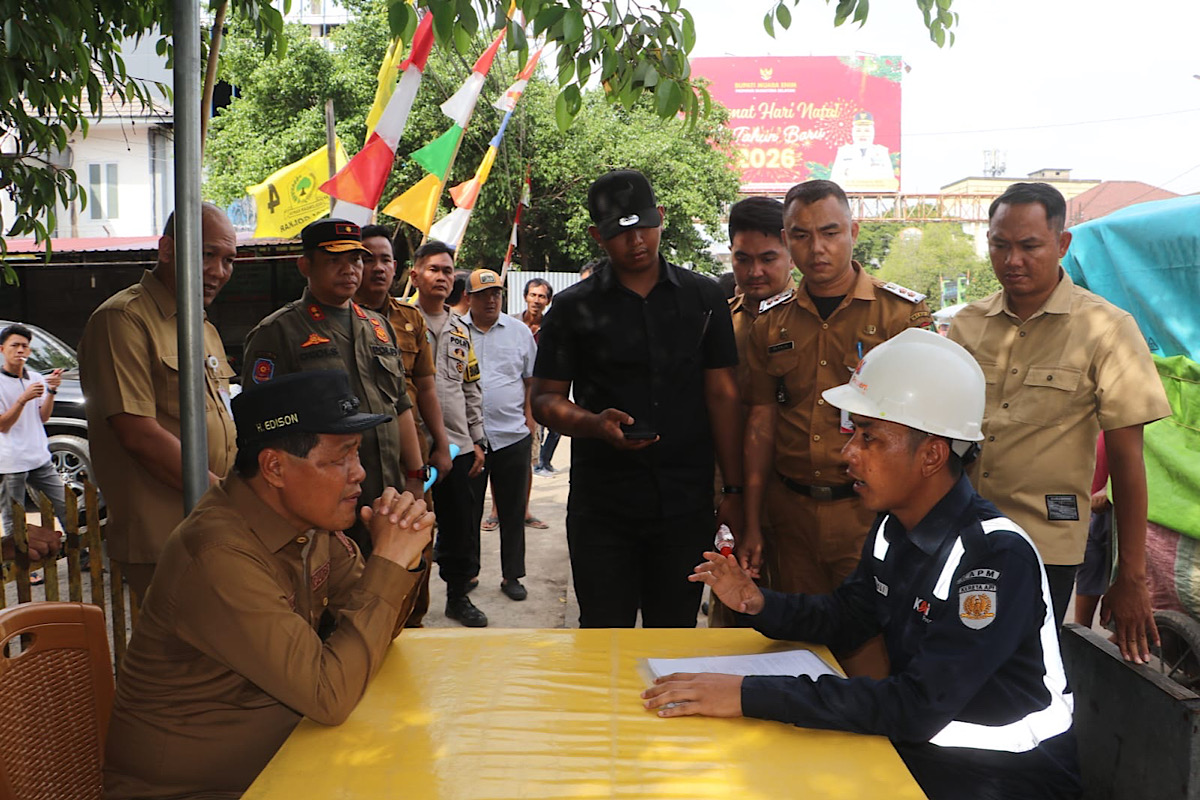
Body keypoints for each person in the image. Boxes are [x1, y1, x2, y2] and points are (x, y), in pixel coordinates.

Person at [643, 329, 1082, 800]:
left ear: (931, 455)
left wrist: (747, 694)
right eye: (854, 434)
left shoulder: (993, 557)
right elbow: (851, 616)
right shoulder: (895, 525)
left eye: (869, 439)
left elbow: (916, 705)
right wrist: (757, 603)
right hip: (925, 754)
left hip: (1002, 776)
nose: (846, 454)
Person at [103, 370, 434, 799]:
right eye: (340, 458)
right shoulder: (218, 556)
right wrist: (387, 561)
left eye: (357, 454)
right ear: (275, 467)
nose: (359, 473)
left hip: (286, 760)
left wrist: (405, 552)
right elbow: (328, 695)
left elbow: (375, 625)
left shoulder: (306, 523)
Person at [948, 182, 1171, 663]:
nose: (1013, 260)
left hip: (1042, 548)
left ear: (1061, 244)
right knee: (951, 667)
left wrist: (1130, 575)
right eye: (1000, 245)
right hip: (959, 535)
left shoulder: (1107, 329)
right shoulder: (966, 325)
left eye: (1029, 246)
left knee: (1030, 679)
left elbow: (1129, 464)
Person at [532, 169, 744, 628]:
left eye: (644, 225)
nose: (636, 241)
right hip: (603, 507)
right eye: (619, 232)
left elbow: (723, 396)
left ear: (661, 217)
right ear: (597, 236)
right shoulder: (572, 308)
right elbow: (545, 400)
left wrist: (733, 490)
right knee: (604, 636)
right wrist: (592, 424)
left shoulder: (704, 297)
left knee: (674, 633)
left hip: (684, 506)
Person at [743, 179, 930, 676]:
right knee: (799, 651)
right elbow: (761, 421)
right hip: (793, 515)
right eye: (800, 235)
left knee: (875, 653)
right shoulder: (770, 322)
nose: (817, 248)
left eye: (830, 232)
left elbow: (925, 428)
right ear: (787, 239)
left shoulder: (901, 315)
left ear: (855, 230)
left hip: (869, 517)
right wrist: (753, 515)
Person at [77, 202, 239, 602]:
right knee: (187, 658)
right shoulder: (123, 319)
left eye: (229, 259)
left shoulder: (202, 326)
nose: (218, 271)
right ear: (167, 249)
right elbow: (138, 435)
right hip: (166, 537)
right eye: (206, 254)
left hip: (213, 525)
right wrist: (230, 503)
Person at [242, 217, 426, 559]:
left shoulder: (378, 327)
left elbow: (400, 403)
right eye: (333, 261)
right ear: (305, 266)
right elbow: (260, 432)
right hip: (320, 510)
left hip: (386, 496)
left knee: (396, 587)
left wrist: (415, 477)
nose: (350, 270)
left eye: (356, 259)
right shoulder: (280, 332)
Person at [354, 223, 451, 627]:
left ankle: (414, 625)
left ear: (397, 269)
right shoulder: (335, 319)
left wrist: (442, 446)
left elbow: (425, 388)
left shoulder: (409, 319)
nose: (378, 268)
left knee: (416, 542)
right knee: (360, 547)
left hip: (409, 454)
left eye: (386, 260)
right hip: (358, 458)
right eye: (368, 258)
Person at [706, 196, 795, 626]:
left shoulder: (816, 322)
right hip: (732, 494)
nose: (755, 271)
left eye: (768, 258)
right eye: (743, 259)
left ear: (791, 253)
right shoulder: (718, 323)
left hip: (798, 496)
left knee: (798, 616)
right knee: (733, 616)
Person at [409, 242, 489, 627]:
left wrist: (477, 439)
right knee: (410, 528)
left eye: (447, 271)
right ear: (414, 275)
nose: (442, 277)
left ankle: (458, 596)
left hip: (456, 444)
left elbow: (471, 387)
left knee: (459, 527)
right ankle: (408, 605)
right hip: (411, 446)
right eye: (434, 269)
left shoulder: (460, 329)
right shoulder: (395, 321)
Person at [464, 268, 537, 603]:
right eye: (483, 295)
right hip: (468, 439)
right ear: (470, 298)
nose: (491, 300)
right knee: (468, 510)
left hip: (512, 435)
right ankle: (468, 572)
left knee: (512, 510)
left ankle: (512, 576)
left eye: (496, 294)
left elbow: (530, 381)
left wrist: (530, 422)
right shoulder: (456, 331)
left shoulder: (519, 332)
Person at [0, 324, 68, 552]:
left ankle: (82, 553)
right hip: (12, 461)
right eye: (15, 345)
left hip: (39, 457)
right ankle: (21, 563)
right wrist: (22, 399)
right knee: (13, 516)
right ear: (2, 349)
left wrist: (51, 391)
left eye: (25, 346)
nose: (20, 350)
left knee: (64, 505)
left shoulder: (36, 377)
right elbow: (3, 425)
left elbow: (43, 417)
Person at [520, 278, 561, 479]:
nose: (536, 300)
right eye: (533, 295)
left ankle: (542, 463)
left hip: (542, 391)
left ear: (548, 300)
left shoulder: (553, 328)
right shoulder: (511, 324)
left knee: (549, 431)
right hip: (514, 393)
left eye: (541, 296)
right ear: (525, 297)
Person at [1074, 434, 1111, 627]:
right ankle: (1079, 637)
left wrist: (1109, 488)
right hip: (1090, 509)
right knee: (1089, 563)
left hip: (1114, 507)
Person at [828, 111, 898, 192]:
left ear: (873, 133)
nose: (862, 134)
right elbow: (834, 180)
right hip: (849, 199)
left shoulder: (882, 152)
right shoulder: (844, 152)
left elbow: (890, 182)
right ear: (853, 133)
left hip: (876, 199)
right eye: (858, 131)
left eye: (866, 131)